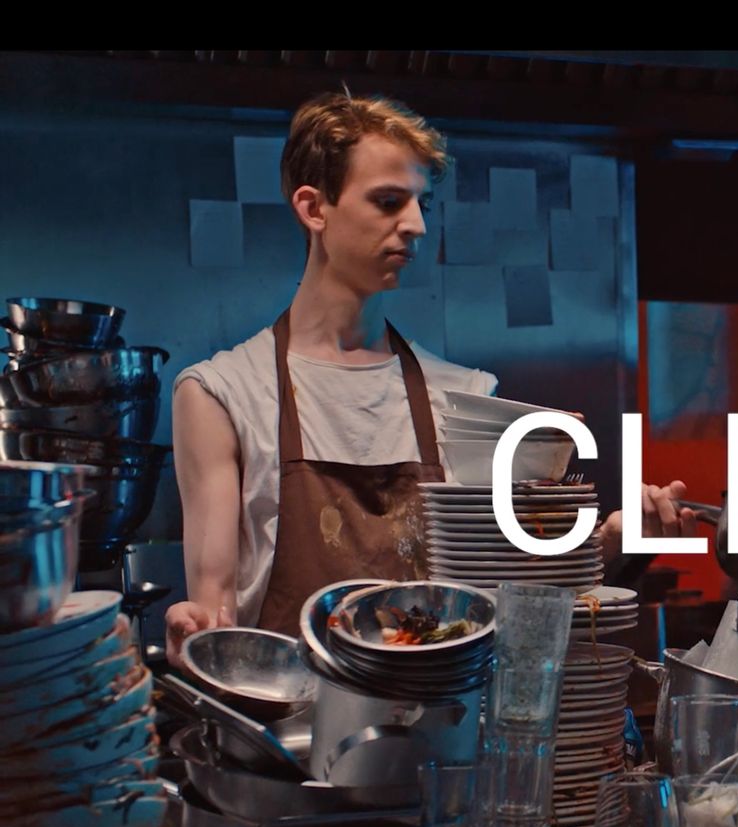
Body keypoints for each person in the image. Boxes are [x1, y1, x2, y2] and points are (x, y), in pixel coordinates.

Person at [164, 92, 692, 663]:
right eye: (388, 201)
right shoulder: (221, 394)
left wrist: (612, 537)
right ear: (314, 209)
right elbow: (213, 616)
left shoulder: (465, 396)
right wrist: (193, 635)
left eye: (422, 203)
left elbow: (515, 589)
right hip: (289, 730)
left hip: (443, 732)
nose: (415, 225)